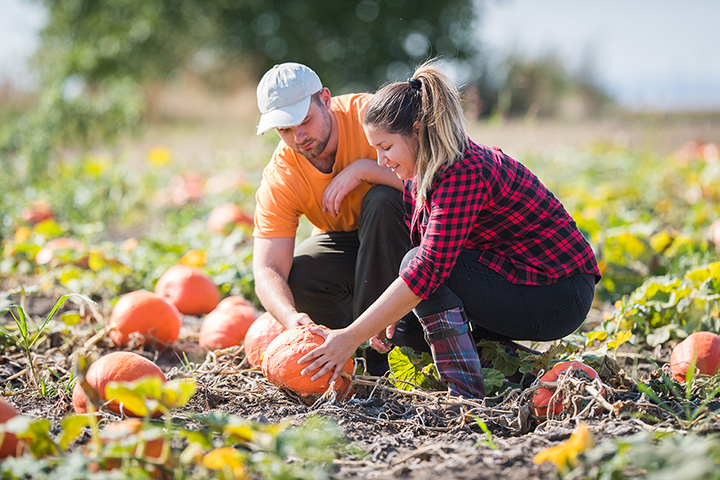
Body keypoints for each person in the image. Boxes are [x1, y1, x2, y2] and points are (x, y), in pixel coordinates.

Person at [298, 61, 602, 398]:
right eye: (375, 150)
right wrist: (383, 319)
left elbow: (427, 269)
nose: (380, 162)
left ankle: (466, 394)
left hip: (558, 294)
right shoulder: (422, 174)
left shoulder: (462, 172)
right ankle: (520, 373)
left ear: (418, 130)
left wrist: (350, 335)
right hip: (513, 278)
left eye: (385, 148)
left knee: (416, 268)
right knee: (404, 329)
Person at [252, 63, 427, 372]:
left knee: (382, 200)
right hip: (354, 248)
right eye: (285, 130)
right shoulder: (282, 174)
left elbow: (441, 181)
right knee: (299, 277)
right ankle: (368, 342)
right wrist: (292, 319)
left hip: (415, 239)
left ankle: (386, 356)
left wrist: (364, 170)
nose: (299, 136)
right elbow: (267, 268)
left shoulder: (372, 117)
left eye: (305, 120)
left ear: (325, 99)